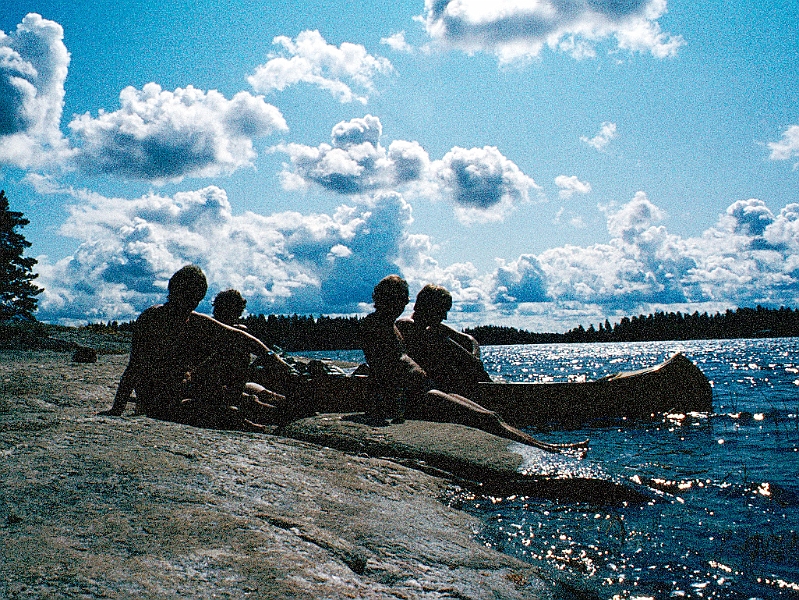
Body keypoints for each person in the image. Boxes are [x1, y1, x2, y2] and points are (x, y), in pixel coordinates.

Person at [360, 275, 582, 453]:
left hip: (425, 388)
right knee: (484, 418)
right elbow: (386, 368)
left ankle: (547, 447)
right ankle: (550, 449)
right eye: (399, 300)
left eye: (404, 300)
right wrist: (394, 405)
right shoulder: (380, 325)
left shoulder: (391, 326)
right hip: (416, 395)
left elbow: (397, 361)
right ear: (384, 299)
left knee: (491, 415)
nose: (403, 305)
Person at [100, 266, 296, 428]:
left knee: (236, 346)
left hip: (184, 388)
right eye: (187, 296)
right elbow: (134, 367)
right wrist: (117, 409)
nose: (191, 302)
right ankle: (254, 417)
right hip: (160, 401)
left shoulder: (191, 318)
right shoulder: (153, 319)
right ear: (174, 291)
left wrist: (275, 359)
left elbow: (241, 337)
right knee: (225, 414)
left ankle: (278, 409)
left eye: (195, 298)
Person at [396, 284, 491, 396]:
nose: (444, 317)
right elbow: (472, 363)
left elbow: (469, 340)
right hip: (420, 394)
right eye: (442, 310)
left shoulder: (432, 327)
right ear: (428, 307)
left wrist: (473, 352)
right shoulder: (408, 326)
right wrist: (473, 359)